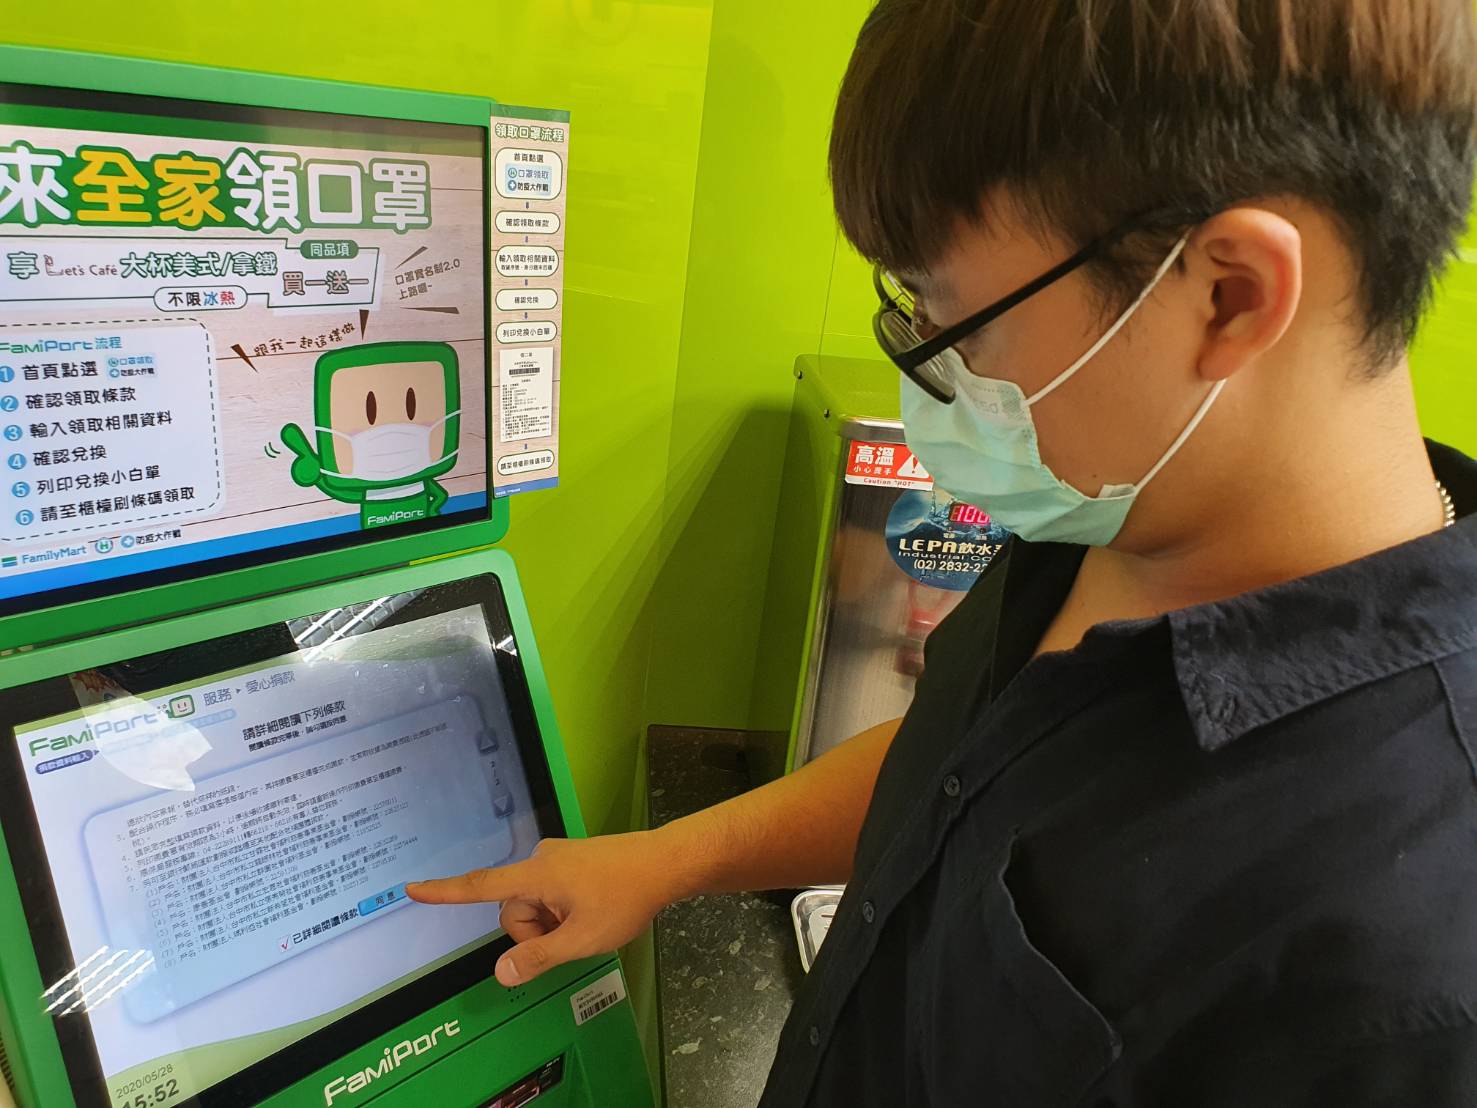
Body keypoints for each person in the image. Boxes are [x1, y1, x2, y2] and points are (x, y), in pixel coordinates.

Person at [409, 0, 1477, 1102]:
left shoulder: (1403, 978)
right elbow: (961, 774)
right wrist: (671, 859)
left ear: (1229, 296)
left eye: (950, 317)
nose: (931, 372)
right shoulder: (1109, 509)